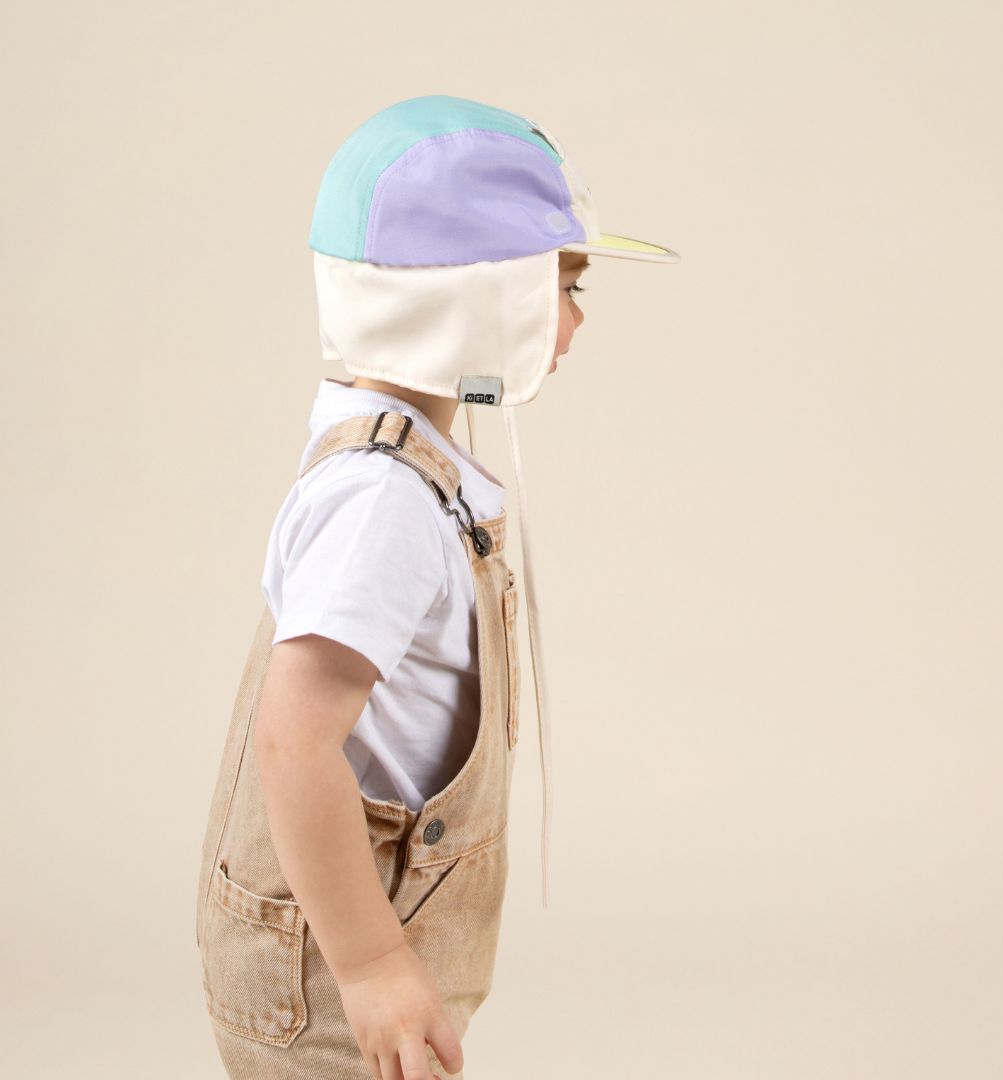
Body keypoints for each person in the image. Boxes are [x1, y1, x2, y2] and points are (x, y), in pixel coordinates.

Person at [196, 93, 679, 1080]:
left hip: (369, 942)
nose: (578, 318)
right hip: (330, 978)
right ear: (480, 298)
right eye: (565, 285)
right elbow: (293, 740)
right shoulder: (382, 499)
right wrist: (373, 967)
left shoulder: (418, 466)